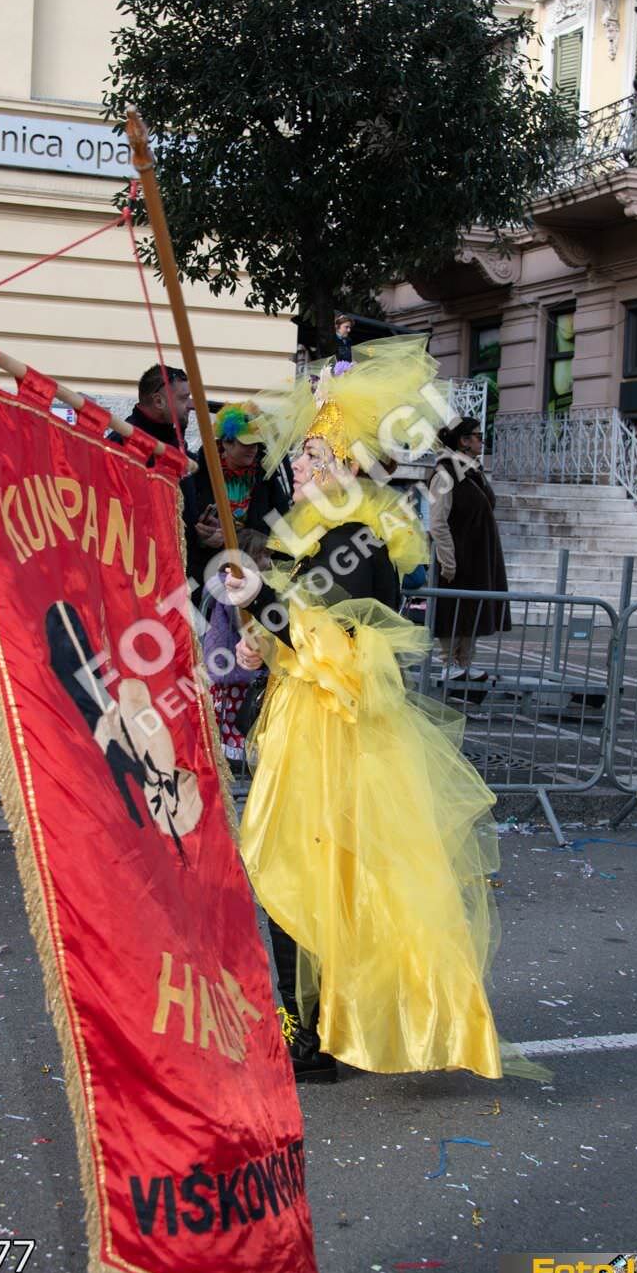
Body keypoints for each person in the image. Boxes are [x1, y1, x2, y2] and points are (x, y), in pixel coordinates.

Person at [225, 337, 513, 1086]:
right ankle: (315, 1025)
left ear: (347, 468)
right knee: (305, 881)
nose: (297, 468)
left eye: (313, 457)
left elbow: (343, 646)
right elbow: (298, 628)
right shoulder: (321, 535)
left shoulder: (355, 541)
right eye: (300, 457)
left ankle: (314, 1036)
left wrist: (263, 606)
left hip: (333, 742)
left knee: (308, 880)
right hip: (308, 731)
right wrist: (260, 640)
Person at [189, 402, 291, 761]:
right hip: (205, 579)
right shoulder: (199, 471)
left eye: (257, 443)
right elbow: (184, 519)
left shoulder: (266, 475)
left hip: (252, 578)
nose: (253, 449)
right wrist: (201, 535)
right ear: (225, 443)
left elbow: (281, 524)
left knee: (246, 652)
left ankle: (240, 729)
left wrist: (251, 538)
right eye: (246, 443)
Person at [427, 416, 511, 682]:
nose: (481, 442)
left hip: (478, 555)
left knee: (473, 609)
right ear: (463, 441)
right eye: (478, 436)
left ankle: (464, 661)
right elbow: (438, 521)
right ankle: (448, 662)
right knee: (453, 609)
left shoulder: (472, 470)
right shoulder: (445, 473)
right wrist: (448, 560)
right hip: (458, 555)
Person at [127, 364, 193, 450]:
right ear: (158, 401)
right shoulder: (128, 442)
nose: (191, 405)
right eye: (183, 398)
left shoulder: (165, 430)